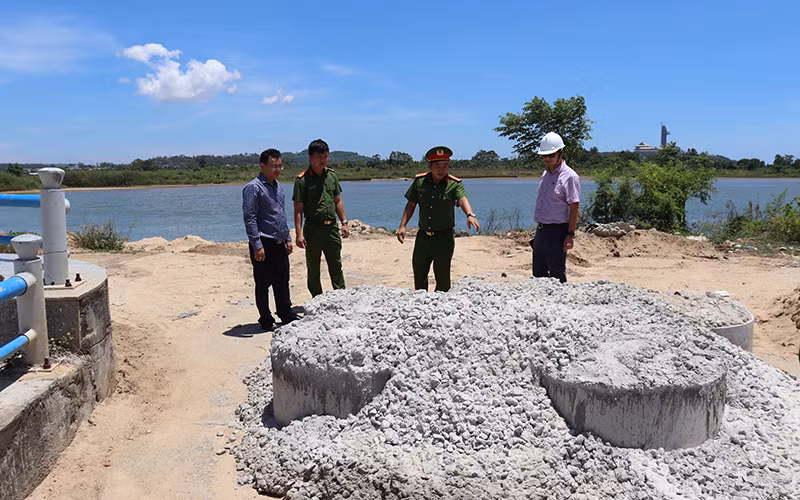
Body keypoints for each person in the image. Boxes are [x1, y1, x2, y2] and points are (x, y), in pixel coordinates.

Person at [397, 146, 480, 292]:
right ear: (429, 166)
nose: (442, 169)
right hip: (423, 238)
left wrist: (469, 214)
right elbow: (411, 205)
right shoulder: (419, 182)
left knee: (442, 279)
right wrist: (403, 226)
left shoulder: (454, 184)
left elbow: (462, 199)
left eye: (445, 166)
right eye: (438, 166)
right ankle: (421, 306)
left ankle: (442, 309)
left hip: (444, 238)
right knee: (419, 274)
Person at [242, 148, 299, 331]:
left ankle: (285, 313)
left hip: (279, 242)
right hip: (263, 243)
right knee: (263, 283)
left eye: (280, 166)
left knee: (282, 279)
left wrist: (288, 237)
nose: (277, 170)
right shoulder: (253, 188)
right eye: (274, 166)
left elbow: (280, 215)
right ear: (263, 165)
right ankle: (265, 319)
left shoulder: (278, 186)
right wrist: (257, 245)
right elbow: (249, 218)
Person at [293, 139, 350, 296]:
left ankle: (340, 296)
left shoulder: (332, 176)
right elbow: (298, 209)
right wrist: (299, 234)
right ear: (310, 157)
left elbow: (337, 200)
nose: (323, 160)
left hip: (331, 228)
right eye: (320, 157)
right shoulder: (302, 180)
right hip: (313, 228)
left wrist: (344, 222)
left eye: (325, 156)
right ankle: (316, 298)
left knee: (336, 264)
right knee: (313, 267)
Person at [531, 132, 580, 283]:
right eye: (544, 156)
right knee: (538, 272)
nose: (547, 159)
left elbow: (574, 208)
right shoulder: (545, 174)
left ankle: (560, 303)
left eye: (551, 155)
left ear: (560, 153)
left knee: (556, 273)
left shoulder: (570, 177)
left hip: (558, 231)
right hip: (541, 230)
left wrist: (570, 235)